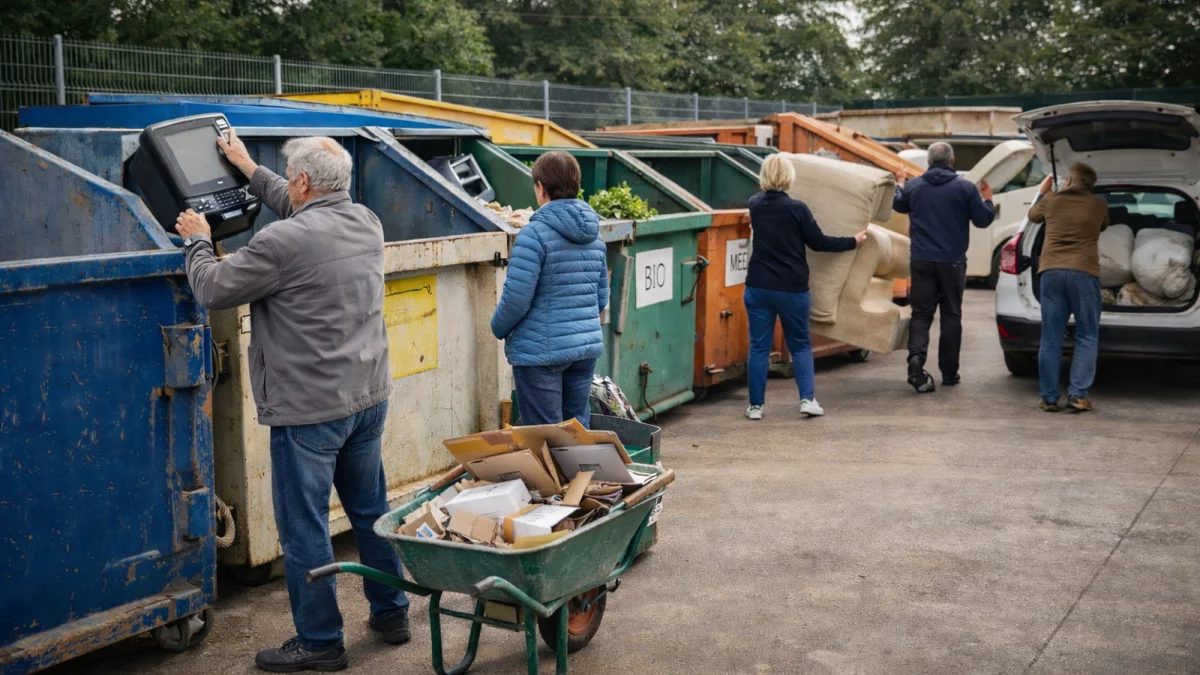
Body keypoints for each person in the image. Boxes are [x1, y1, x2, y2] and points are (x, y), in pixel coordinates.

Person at [175, 129, 409, 673]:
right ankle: (392, 611)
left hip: (310, 411)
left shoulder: (281, 244)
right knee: (371, 510)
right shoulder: (366, 223)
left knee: (304, 527)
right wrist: (247, 166)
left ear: (303, 181)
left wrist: (197, 239)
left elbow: (211, 287)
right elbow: (300, 207)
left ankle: (322, 642)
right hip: (367, 397)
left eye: (292, 181)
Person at [744, 154, 866, 421]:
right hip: (792, 287)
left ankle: (755, 407)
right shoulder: (797, 209)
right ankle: (807, 400)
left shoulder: (754, 205)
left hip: (758, 286)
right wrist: (852, 241)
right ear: (789, 177)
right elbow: (819, 242)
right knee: (799, 345)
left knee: (758, 348)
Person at [491, 151, 608, 428]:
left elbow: (517, 300)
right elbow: (601, 298)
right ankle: (579, 473)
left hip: (540, 354)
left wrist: (497, 328)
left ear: (541, 188)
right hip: (583, 351)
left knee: (545, 436)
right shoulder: (594, 234)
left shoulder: (534, 234)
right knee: (577, 430)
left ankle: (553, 474)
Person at [893, 141, 995, 392]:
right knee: (951, 315)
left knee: (921, 314)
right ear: (952, 161)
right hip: (952, 262)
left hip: (921, 260)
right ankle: (949, 373)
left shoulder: (915, 186)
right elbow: (983, 220)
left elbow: (898, 204)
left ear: (927, 162)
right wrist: (989, 200)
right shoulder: (965, 188)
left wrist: (899, 183)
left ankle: (916, 359)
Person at [1028, 163, 1109, 413]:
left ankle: (1049, 398)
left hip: (1051, 273)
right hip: (1084, 274)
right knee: (1087, 335)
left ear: (1069, 181)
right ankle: (1078, 395)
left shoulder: (1051, 201)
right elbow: (1103, 226)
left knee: (1051, 337)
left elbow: (1032, 216)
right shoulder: (1099, 205)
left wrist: (1044, 192)